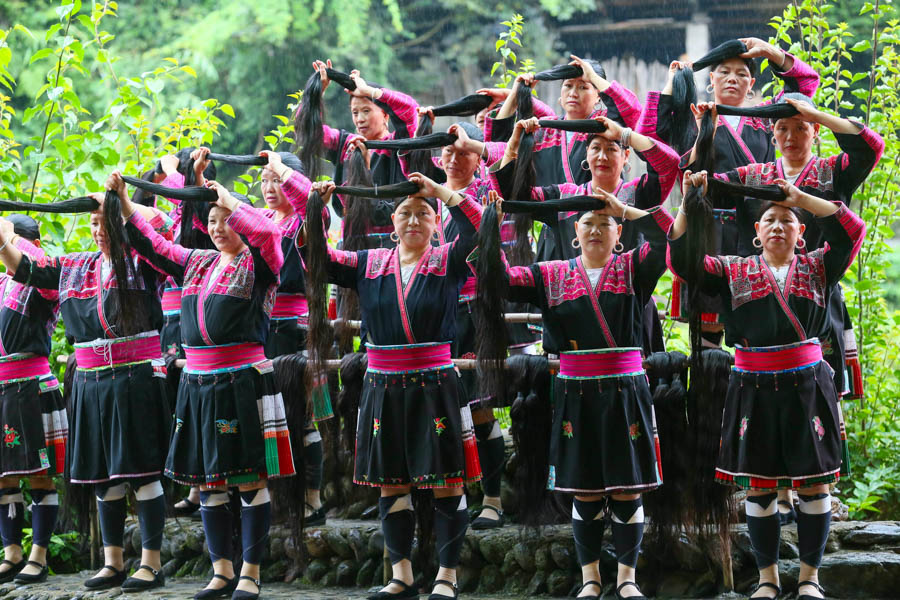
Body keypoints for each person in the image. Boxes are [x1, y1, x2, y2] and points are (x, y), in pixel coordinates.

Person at [668, 172, 865, 600]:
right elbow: (683, 262)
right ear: (756, 232)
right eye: (770, 220)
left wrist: (802, 198)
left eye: (787, 220)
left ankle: (810, 579)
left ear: (801, 232)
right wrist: (687, 203)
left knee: (814, 486)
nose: (778, 226)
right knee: (759, 488)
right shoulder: (732, 269)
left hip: (807, 388)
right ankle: (768, 579)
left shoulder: (819, 267)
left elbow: (852, 230)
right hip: (751, 389)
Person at [477, 189, 672, 600]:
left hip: (625, 392)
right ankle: (590, 579)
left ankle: (627, 579)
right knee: (585, 489)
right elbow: (502, 280)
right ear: (574, 235)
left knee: (627, 488)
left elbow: (664, 237)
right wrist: (489, 224)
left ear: (619, 235)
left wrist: (623, 208)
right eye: (588, 224)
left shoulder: (634, 268)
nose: (596, 229)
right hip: (575, 394)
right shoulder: (550, 274)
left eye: (605, 224)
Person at [303, 173, 483, 600]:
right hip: (382, 386)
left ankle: (446, 576)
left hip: (434, 385)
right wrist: (316, 210)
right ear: (393, 223)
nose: (414, 220)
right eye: (406, 213)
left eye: (423, 213)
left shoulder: (449, 259)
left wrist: (441, 192)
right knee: (392, 483)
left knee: (447, 482)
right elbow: (318, 257)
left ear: (437, 224)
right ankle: (401, 576)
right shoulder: (368, 263)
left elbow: (480, 231)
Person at [116, 170, 295, 600]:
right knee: (209, 480)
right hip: (197, 385)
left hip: (241, 381)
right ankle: (221, 571)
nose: (218, 228)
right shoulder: (197, 262)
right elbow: (156, 247)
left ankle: (250, 572)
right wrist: (122, 202)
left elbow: (269, 232)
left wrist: (229, 200)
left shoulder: (261, 263)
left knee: (249, 479)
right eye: (212, 221)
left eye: (227, 220)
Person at [0, 185, 173, 592]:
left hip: (136, 377)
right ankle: (113, 562)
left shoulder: (143, 261)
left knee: (143, 472)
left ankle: (151, 564)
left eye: (105, 223)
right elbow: (26, 269)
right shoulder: (74, 266)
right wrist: (4, 240)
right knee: (102, 475)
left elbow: (163, 226)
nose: (99, 231)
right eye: (94, 224)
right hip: (91, 383)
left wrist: (120, 202)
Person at [259, 149, 331, 525]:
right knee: (272, 418)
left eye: (277, 180)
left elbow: (309, 202)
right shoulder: (262, 221)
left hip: (297, 328)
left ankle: (312, 500)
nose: (270, 187)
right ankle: (278, 499)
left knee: (302, 418)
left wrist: (280, 167)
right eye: (265, 180)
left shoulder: (308, 217)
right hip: (264, 329)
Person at [0, 215, 66, 585]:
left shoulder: (45, 279)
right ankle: (12, 552)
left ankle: (38, 556)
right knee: (3, 476)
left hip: (32, 386)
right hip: (2, 389)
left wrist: (10, 237)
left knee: (40, 476)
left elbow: (42, 270)